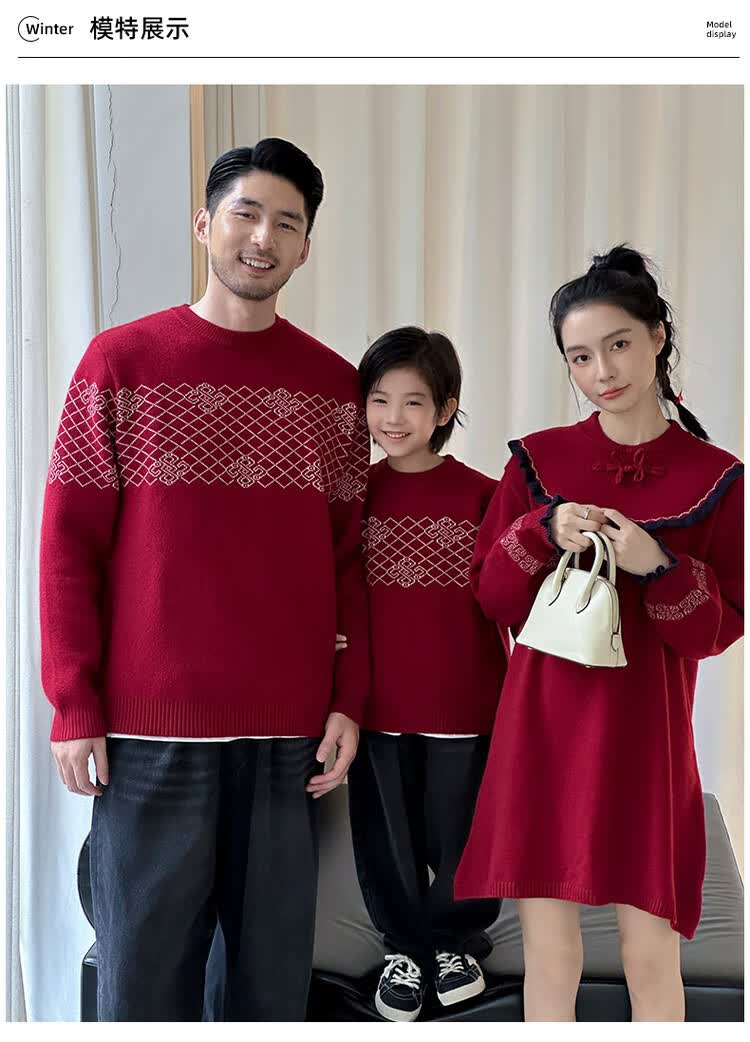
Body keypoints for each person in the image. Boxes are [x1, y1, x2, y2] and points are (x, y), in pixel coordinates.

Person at [39, 138, 370, 1021]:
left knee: (268, 992)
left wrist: (349, 699)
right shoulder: (119, 363)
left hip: (288, 741)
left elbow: (350, 559)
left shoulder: (334, 387)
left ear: (305, 248)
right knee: (143, 985)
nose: (263, 238)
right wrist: (74, 702)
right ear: (204, 225)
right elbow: (68, 546)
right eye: (245, 214)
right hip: (149, 736)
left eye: (286, 224)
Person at [453, 245, 744, 1022]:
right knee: (550, 959)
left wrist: (659, 565)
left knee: (652, 960)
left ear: (657, 336)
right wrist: (541, 529)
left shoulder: (718, 478)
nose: (602, 371)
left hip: (648, 741)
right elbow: (492, 597)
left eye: (618, 344)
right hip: (542, 732)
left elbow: (716, 632)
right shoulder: (537, 462)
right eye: (580, 357)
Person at [344, 326, 507, 1022]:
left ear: (445, 409)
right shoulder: (354, 497)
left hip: (466, 702)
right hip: (376, 705)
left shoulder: (486, 496)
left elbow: (513, 599)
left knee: (464, 831)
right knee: (387, 837)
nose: (393, 418)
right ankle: (404, 951)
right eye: (379, 399)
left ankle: (455, 944)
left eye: (413, 402)